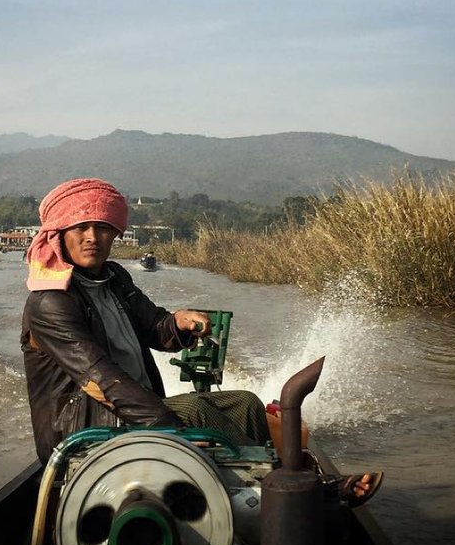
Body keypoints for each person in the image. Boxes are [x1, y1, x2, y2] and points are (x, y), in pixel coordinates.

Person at [20, 178, 271, 465]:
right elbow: (100, 379)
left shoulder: (115, 278)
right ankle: (263, 476)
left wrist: (178, 323)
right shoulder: (51, 302)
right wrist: (171, 428)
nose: (92, 237)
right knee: (195, 411)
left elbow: (154, 327)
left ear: (115, 233)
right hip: (88, 428)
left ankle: (260, 471)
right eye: (80, 227)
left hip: (135, 412)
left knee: (246, 404)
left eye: (102, 227)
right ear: (60, 234)